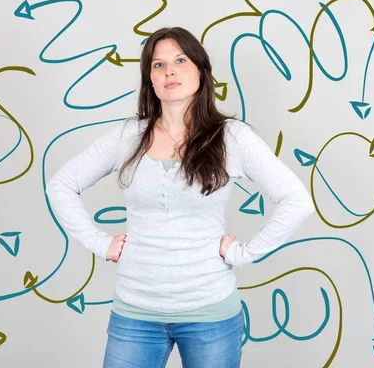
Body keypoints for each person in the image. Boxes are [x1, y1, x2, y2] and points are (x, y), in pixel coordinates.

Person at [46, 27, 314, 368]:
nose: (169, 71)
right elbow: (61, 185)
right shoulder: (128, 136)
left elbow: (297, 201)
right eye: (158, 65)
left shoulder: (232, 137)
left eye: (180, 60)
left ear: (200, 72)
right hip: (135, 314)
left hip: (210, 315)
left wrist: (245, 254)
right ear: (150, 81)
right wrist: (100, 243)